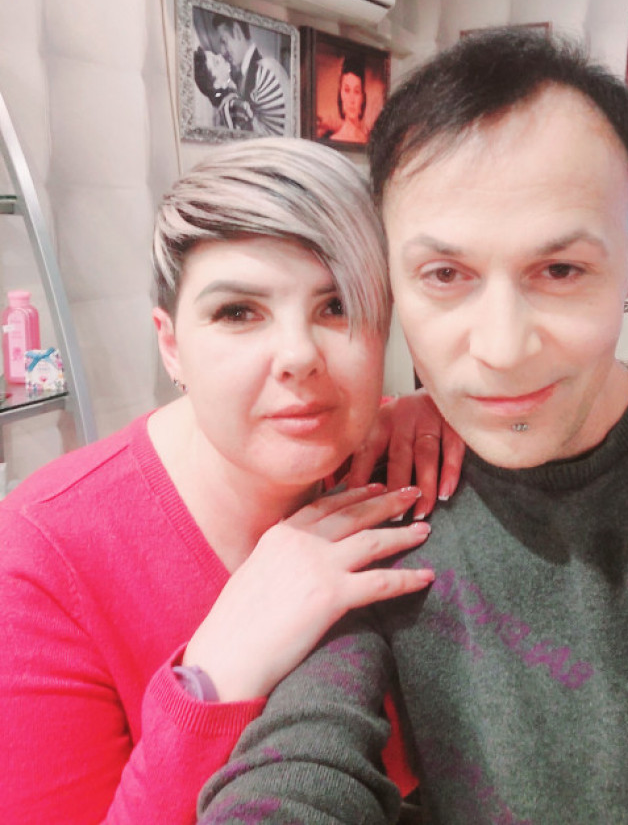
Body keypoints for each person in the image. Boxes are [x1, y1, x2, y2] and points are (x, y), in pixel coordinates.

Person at [197, 27, 628, 824]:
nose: (504, 350)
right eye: (445, 274)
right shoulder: (390, 503)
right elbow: (301, 761)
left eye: (560, 270)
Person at [0, 137, 465, 824]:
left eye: (338, 305)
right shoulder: (40, 560)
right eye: (238, 312)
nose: (299, 355)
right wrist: (212, 682)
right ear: (170, 344)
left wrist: (455, 411)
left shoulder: (401, 467)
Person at [211, 17, 291, 135]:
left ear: (237, 31)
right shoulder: (248, 73)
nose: (222, 51)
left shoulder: (264, 71)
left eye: (224, 41)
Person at [318, 55, 370, 144]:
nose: (352, 100)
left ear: (362, 97)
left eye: (356, 91)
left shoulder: (368, 141)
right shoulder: (332, 140)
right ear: (340, 94)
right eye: (347, 90)